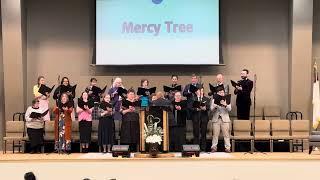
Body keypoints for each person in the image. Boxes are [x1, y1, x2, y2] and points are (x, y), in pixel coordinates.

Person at [210, 87, 232, 153]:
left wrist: (225, 105)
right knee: (215, 134)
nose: (221, 93)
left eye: (222, 92)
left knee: (226, 135)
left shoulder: (227, 99)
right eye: (219, 92)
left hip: (225, 119)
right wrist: (215, 105)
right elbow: (211, 109)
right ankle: (214, 147)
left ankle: (227, 148)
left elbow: (230, 109)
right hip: (216, 119)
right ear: (217, 93)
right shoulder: (214, 100)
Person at [191, 87, 210, 151]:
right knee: (196, 133)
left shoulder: (206, 99)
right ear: (196, 92)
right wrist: (196, 109)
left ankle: (203, 148)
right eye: (199, 91)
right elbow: (190, 108)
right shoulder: (193, 99)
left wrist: (205, 108)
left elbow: (208, 107)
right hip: (196, 118)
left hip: (204, 118)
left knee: (203, 133)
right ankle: (196, 148)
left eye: (202, 91)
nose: (200, 92)